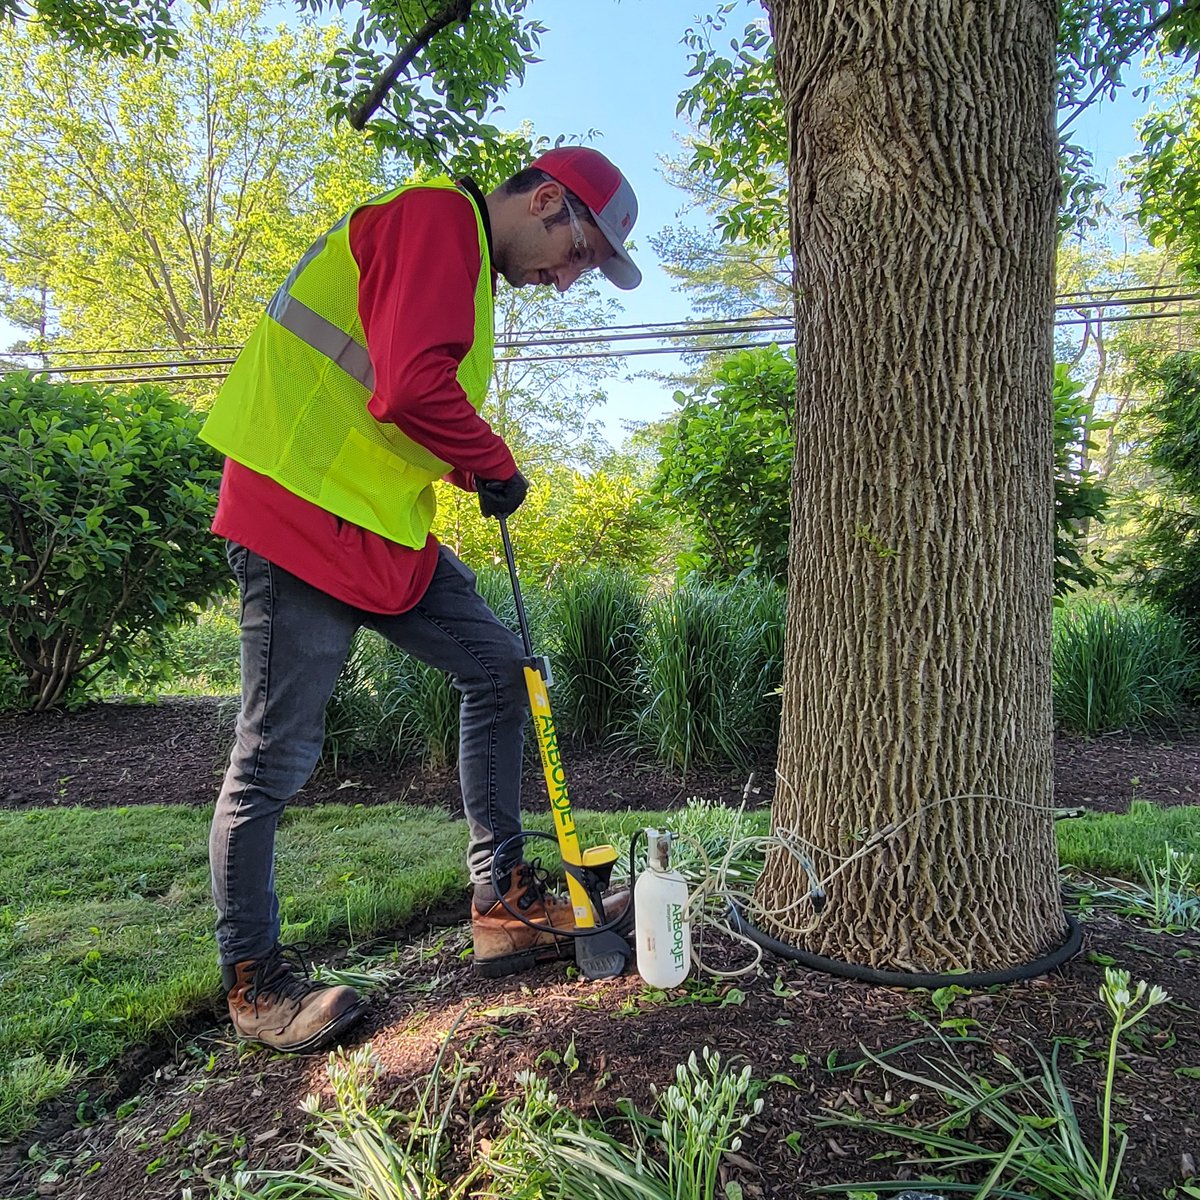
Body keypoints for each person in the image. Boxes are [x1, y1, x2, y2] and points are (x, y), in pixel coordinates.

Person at [199, 146, 642, 1053]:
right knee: (274, 756)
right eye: (579, 254)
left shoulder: (469, 276)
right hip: (297, 512)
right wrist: (494, 462)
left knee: (504, 671)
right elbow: (406, 387)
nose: (568, 280)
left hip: (378, 527)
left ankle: (503, 901)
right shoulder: (441, 217)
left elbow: (406, 392)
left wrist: (471, 458)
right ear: (547, 199)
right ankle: (255, 985)